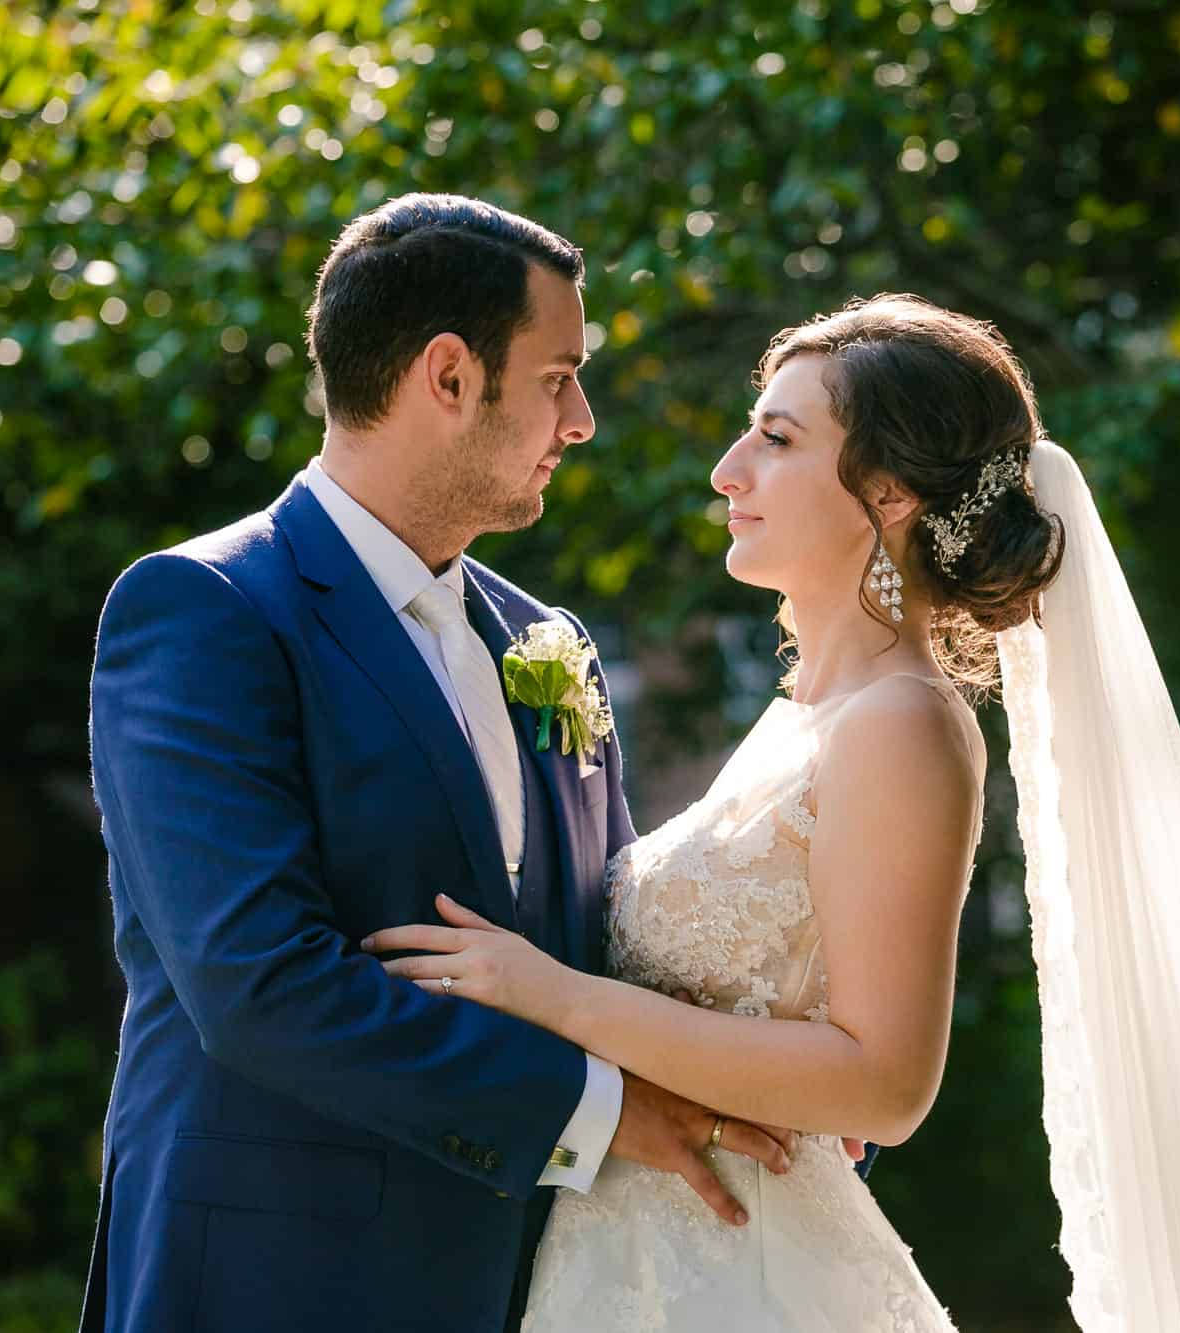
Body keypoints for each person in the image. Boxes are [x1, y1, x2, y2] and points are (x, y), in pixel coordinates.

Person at [369, 295, 1180, 1331]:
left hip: (749, 1275)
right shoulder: (806, 710)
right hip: (647, 1261)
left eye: (777, 438)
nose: (727, 470)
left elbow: (884, 1081)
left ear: (887, 493)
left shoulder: (901, 724)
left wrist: (556, 996)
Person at [80, 194, 816, 1333]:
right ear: (449, 375)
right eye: (558, 375)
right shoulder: (205, 610)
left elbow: (604, 943)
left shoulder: (543, 638)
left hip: (529, 1281)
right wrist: (597, 1109)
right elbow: (257, 983)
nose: (580, 420)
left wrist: (780, 1090)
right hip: (275, 1280)